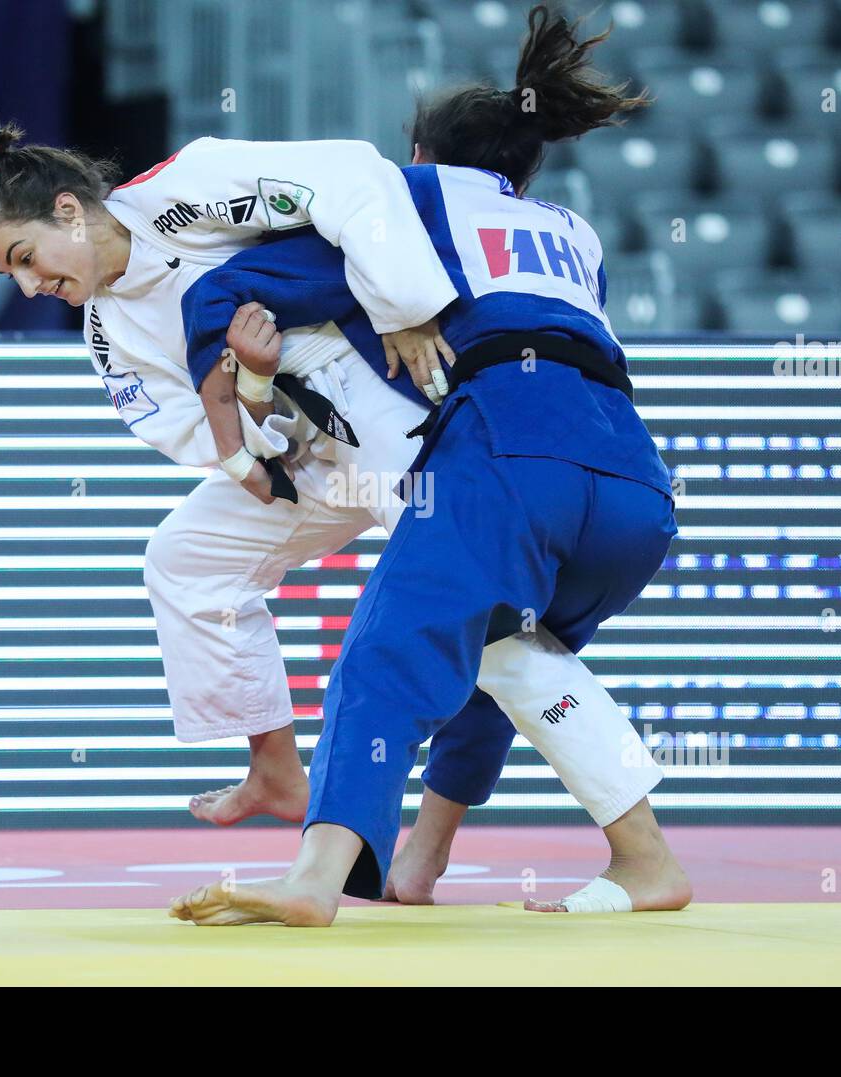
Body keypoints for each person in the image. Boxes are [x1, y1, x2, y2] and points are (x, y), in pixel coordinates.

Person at [0, 113, 667, 906]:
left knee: (490, 630)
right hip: (295, 449)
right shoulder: (105, 334)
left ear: (69, 211)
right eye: (9, 277)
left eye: (26, 258)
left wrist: (404, 306)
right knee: (185, 557)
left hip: (387, 401)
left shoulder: (188, 188)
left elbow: (355, 175)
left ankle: (636, 843)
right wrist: (257, 403)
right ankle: (274, 763)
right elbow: (191, 430)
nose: (27, 286)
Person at [169, 4, 691, 926]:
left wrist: (238, 378)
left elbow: (231, 288)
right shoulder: (576, 231)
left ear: (418, 150)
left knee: (385, 652)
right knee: (514, 659)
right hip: (633, 476)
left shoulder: (410, 199)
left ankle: (314, 880)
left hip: (511, 449)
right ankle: (437, 859)